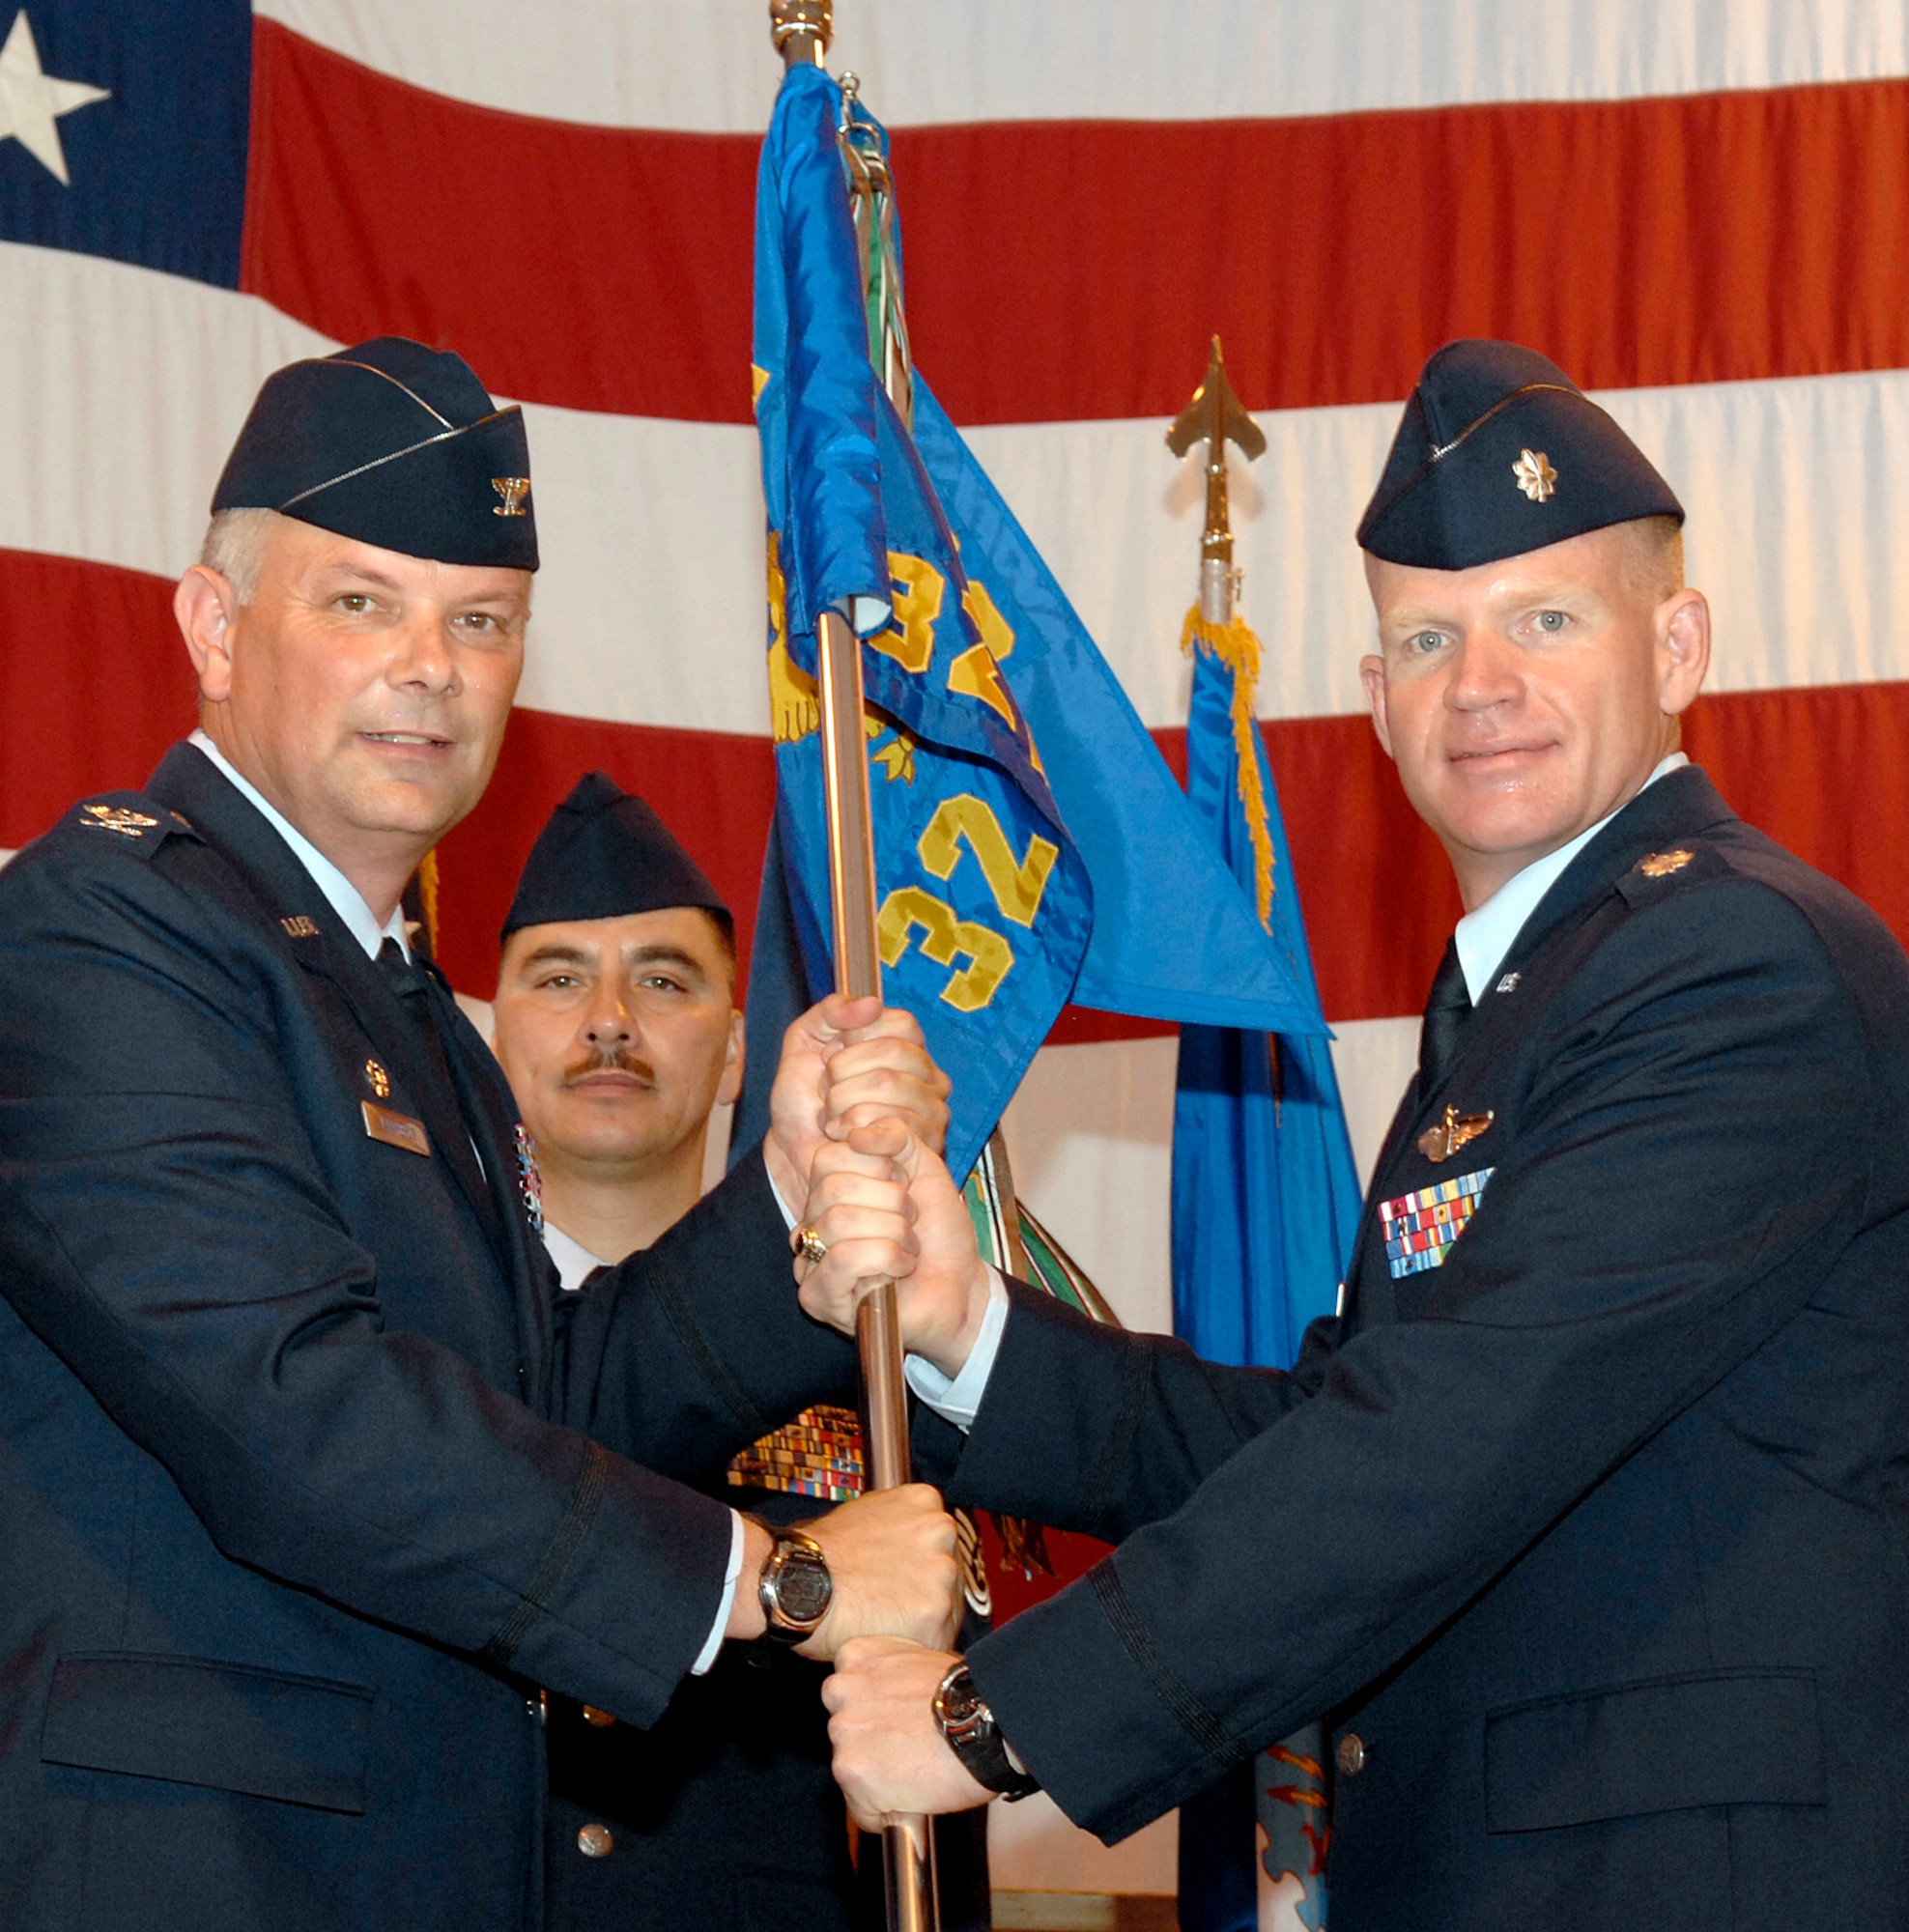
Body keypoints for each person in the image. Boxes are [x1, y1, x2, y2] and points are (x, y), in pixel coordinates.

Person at [801, 340, 1909, 1930]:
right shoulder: (1535, 991)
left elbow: (1447, 1436)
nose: (1484, 687)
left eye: (1546, 619)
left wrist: (999, 1721)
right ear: (1376, 698)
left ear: (1676, 645)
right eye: (1428, 639)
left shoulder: (1732, 964)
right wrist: (972, 1320)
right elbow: (1330, 1429)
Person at [0, 336, 963, 1932]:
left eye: (481, 620)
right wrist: (775, 1583)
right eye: (362, 602)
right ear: (216, 628)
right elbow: (300, 1411)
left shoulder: (402, 1012)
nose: (430, 666)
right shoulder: (101, 931)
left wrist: (784, 1187)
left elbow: (546, 1398)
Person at [491, 771, 989, 1930]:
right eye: (559, 976)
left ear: (733, 1053)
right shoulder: (407, 1338)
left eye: (662, 979)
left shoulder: (862, 1344)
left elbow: (938, 1731)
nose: (608, 1016)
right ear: (488, 1039)